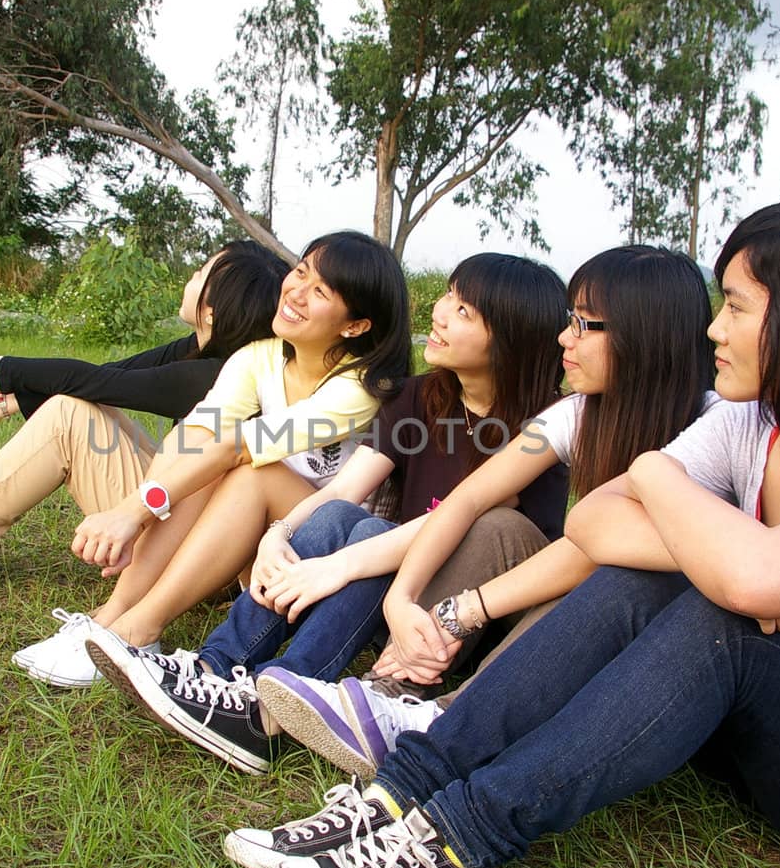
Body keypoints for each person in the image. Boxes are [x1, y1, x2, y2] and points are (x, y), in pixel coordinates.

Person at [233, 197, 780, 868]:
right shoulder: (752, 425)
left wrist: (737, 558)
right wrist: (663, 486)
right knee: (669, 573)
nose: (715, 330)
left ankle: (461, 836)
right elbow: (598, 522)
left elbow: (751, 584)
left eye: (738, 308)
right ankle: (402, 787)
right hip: (757, 745)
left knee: (727, 612)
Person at [83, 253, 569, 773]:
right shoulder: (416, 397)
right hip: (391, 597)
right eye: (448, 294)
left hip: (461, 616)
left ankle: (269, 707)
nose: (441, 312)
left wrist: (341, 565)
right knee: (346, 517)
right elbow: (346, 487)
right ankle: (215, 666)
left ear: (511, 338)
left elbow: (453, 520)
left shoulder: (544, 425)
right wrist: (279, 532)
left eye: (465, 310)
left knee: (383, 533)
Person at [251, 244, 717, 779]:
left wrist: (460, 611)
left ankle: (442, 722)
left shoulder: (709, 428)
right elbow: (469, 497)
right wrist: (402, 601)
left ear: (646, 337)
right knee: (474, 521)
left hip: (656, 637)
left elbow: (594, 552)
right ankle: (378, 694)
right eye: (569, 322)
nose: (566, 339)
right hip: (491, 595)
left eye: (586, 326)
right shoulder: (578, 413)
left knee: (586, 571)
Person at [13, 230, 413, 686]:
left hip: (335, 570)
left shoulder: (359, 387)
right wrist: (142, 514)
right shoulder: (258, 359)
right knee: (196, 448)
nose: (296, 292)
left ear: (355, 326)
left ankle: (140, 629)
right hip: (263, 552)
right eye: (300, 272)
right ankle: (113, 616)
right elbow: (195, 437)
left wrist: (131, 512)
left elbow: (236, 449)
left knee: (247, 472)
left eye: (320, 291)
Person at [0, 240, 288, 591]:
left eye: (200, 273)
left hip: (204, 560)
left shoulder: (216, 374)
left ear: (213, 307)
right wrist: (6, 404)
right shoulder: (207, 351)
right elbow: (103, 378)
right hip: (194, 520)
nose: (189, 278)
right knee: (75, 407)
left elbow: (93, 383)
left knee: (67, 413)